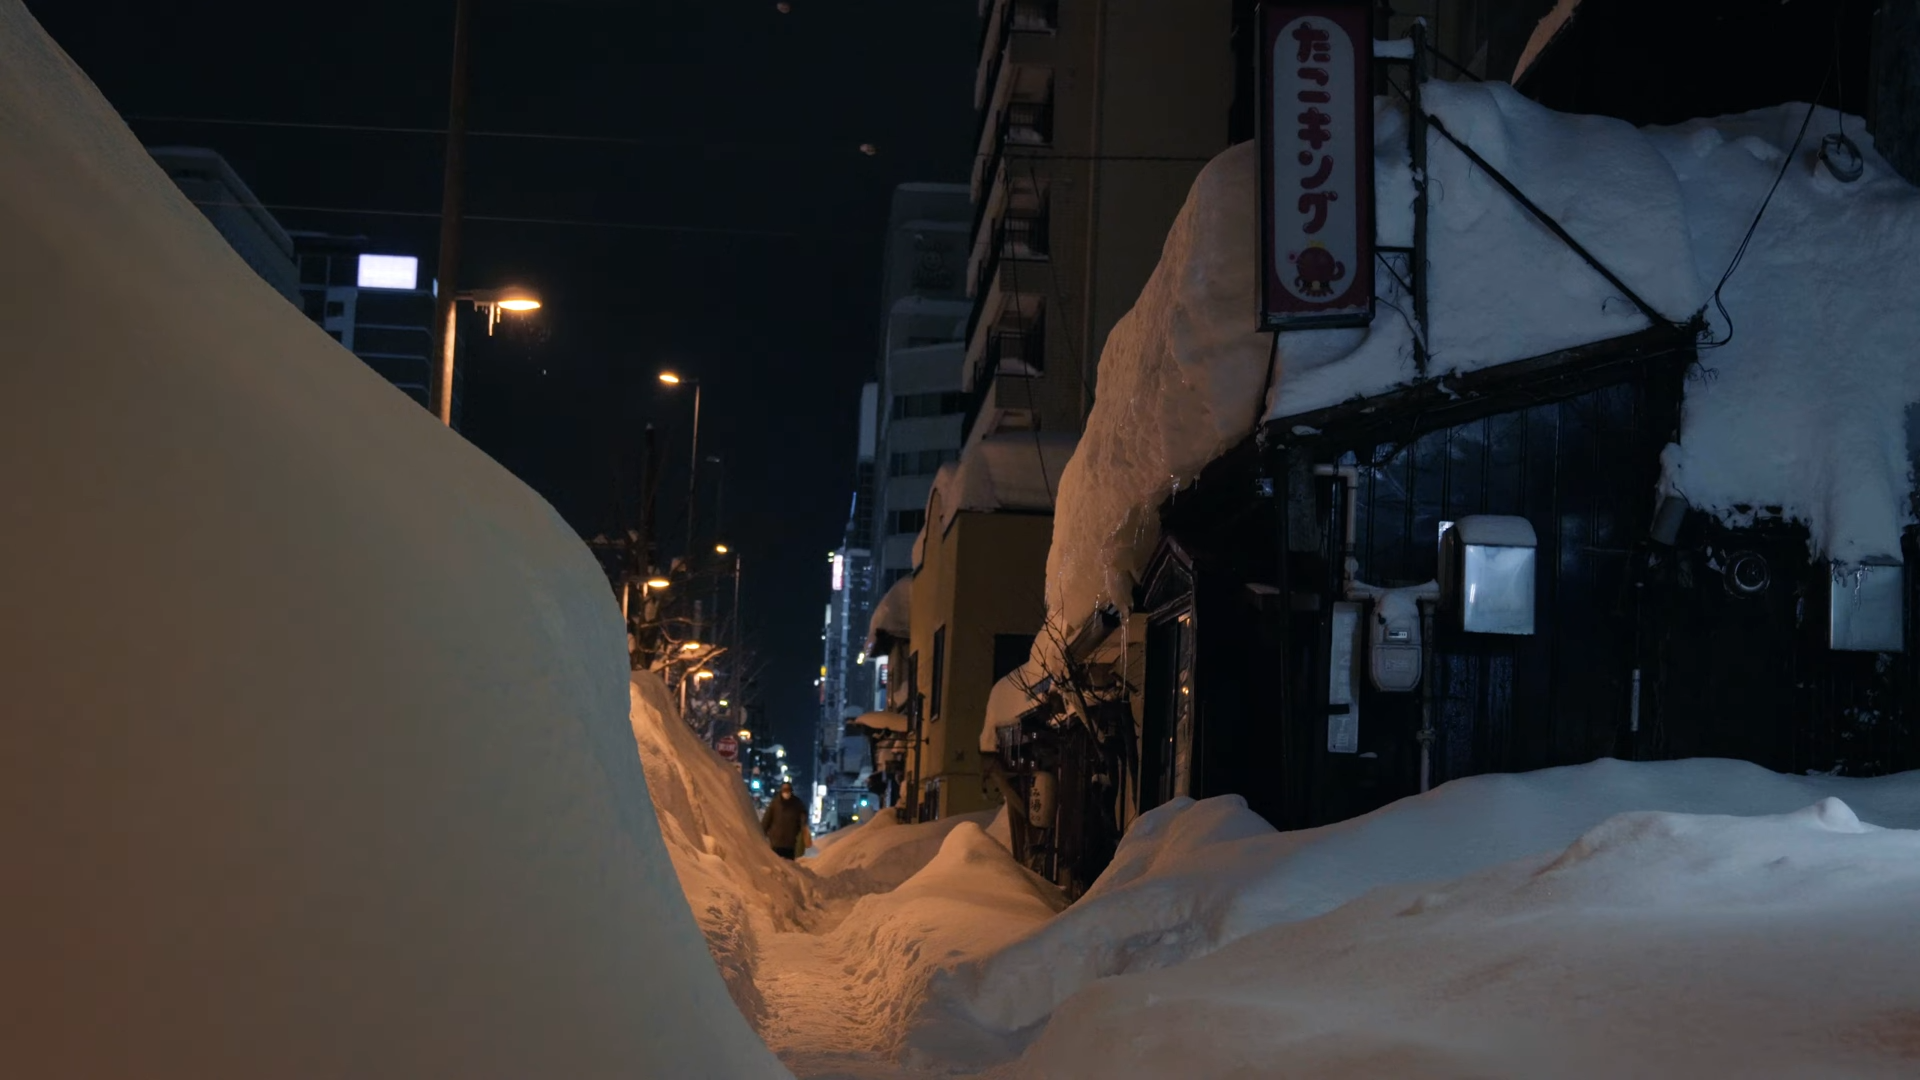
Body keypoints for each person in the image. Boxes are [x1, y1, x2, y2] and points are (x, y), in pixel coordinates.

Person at [760, 781, 805, 860]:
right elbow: (767, 819)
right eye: (784, 790)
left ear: (791, 791)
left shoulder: (797, 804)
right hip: (776, 843)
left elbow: (802, 818)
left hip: (790, 844)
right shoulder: (775, 803)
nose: (786, 793)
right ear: (781, 791)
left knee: (789, 868)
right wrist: (761, 833)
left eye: (788, 790)